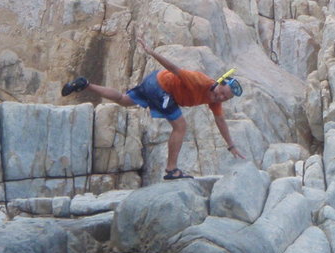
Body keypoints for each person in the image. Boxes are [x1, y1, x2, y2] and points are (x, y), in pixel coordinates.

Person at [61, 37, 246, 179]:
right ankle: (171, 169)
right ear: (219, 82)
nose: (221, 97)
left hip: (154, 80)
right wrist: (151, 52)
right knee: (180, 126)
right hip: (162, 87)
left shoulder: (215, 100)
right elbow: (174, 68)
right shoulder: (200, 81)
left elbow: (220, 121)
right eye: (222, 92)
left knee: (124, 100)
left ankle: (85, 84)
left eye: (225, 98)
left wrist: (231, 146)